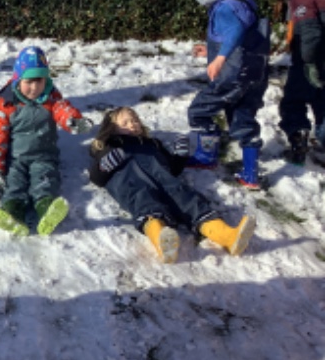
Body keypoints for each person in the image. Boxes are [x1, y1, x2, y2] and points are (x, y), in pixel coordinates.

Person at [90, 107, 256, 263]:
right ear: (111, 129)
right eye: (125, 123)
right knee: (147, 206)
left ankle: (228, 237)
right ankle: (161, 239)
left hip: (167, 182)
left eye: (134, 120)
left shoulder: (153, 144)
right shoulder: (110, 146)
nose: (132, 124)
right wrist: (104, 165)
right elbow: (97, 178)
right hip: (134, 185)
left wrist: (180, 156)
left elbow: (172, 168)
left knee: (190, 201)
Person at [0, 46, 92, 236]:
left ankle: (46, 209)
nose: (35, 88)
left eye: (40, 81)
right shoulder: (7, 103)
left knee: (45, 180)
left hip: (43, 155)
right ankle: (12, 212)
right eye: (29, 82)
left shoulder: (51, 97)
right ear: (18, 79)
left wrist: (72, 121)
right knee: (13, 183)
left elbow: (62, 109)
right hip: (15, 158)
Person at [187, 0, 270, 189]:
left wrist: (219, 58)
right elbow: (242, 38)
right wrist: (210, 50)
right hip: (254, 75)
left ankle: (206, 156)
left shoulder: (225, 7)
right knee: (243, 118)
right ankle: (250, 175)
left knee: (199, 111)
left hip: (232, 76)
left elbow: (235, 31)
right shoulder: (244, 4)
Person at [280, 0, 325, 166]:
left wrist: (308, 62)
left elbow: (311, 33)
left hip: (308, 63)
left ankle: (298, 137)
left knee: (293, 101)